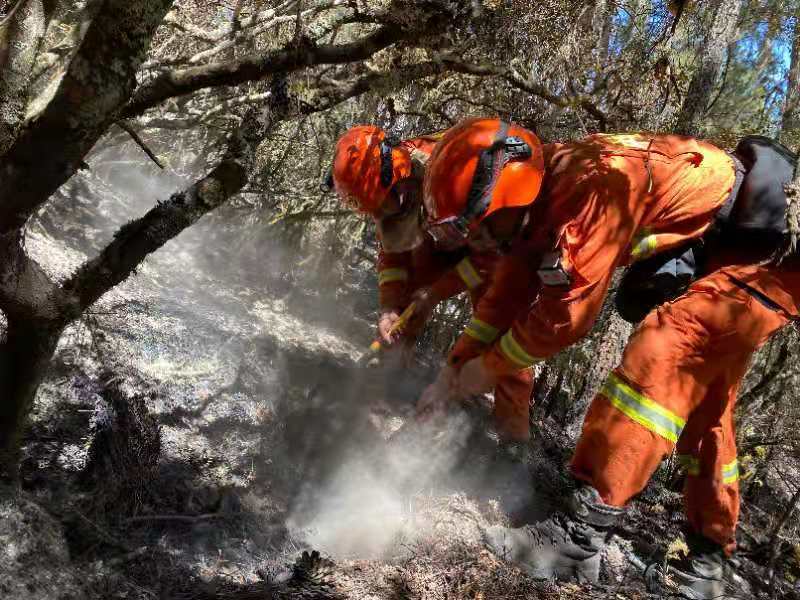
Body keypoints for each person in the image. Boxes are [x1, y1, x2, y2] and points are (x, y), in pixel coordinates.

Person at [418, 117, 800, 598]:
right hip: (733, 243)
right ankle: (708, 556)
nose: (479, 245)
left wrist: (487, 369)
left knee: (666, 348)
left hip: (774, 255)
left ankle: (578, 540)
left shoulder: (589, 192)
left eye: (481, 231)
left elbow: (565, 320)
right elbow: (506, 296)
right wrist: (452, 372)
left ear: (507, 197)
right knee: (703, 392)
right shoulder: (542, 187)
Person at [330, 125, 534, 446]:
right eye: (379, 211)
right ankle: (384, 387)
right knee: (405, 304)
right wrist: (388, 307)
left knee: (502, 330)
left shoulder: (456, 167)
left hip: (487, 243)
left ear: (402, 177)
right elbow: (393, 250)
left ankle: (513, 439)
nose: (386, 213)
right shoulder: (382, 182)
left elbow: (493, 257)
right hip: (440, 237)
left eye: (388, 206)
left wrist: (436, 292)